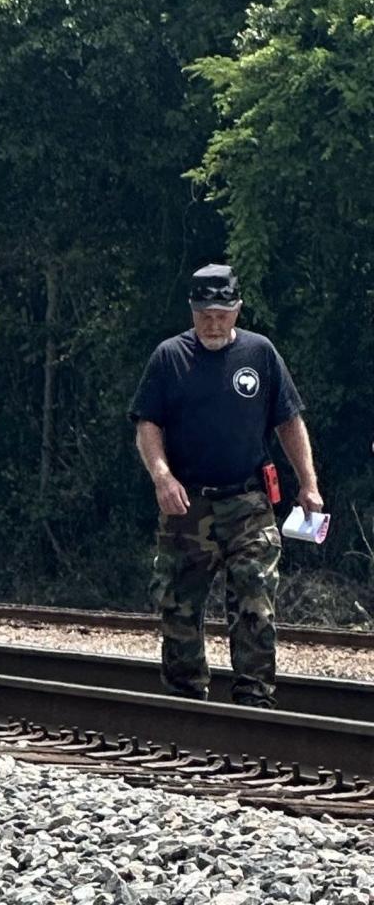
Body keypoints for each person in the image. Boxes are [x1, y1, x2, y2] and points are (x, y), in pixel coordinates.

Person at [129, 264, 323, 708]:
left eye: (221, 314)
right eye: (204, 315)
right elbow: (147, 424)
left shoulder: (260, 354)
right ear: (192, 311)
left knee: (255, 596)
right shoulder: (170, 357)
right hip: (187, 503)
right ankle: (186, 697)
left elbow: (289, 421)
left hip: (249, 500)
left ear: (236, 310)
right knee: (179, 604)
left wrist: (308, 483)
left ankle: (254, 699)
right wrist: (162, 477)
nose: (213, 324)